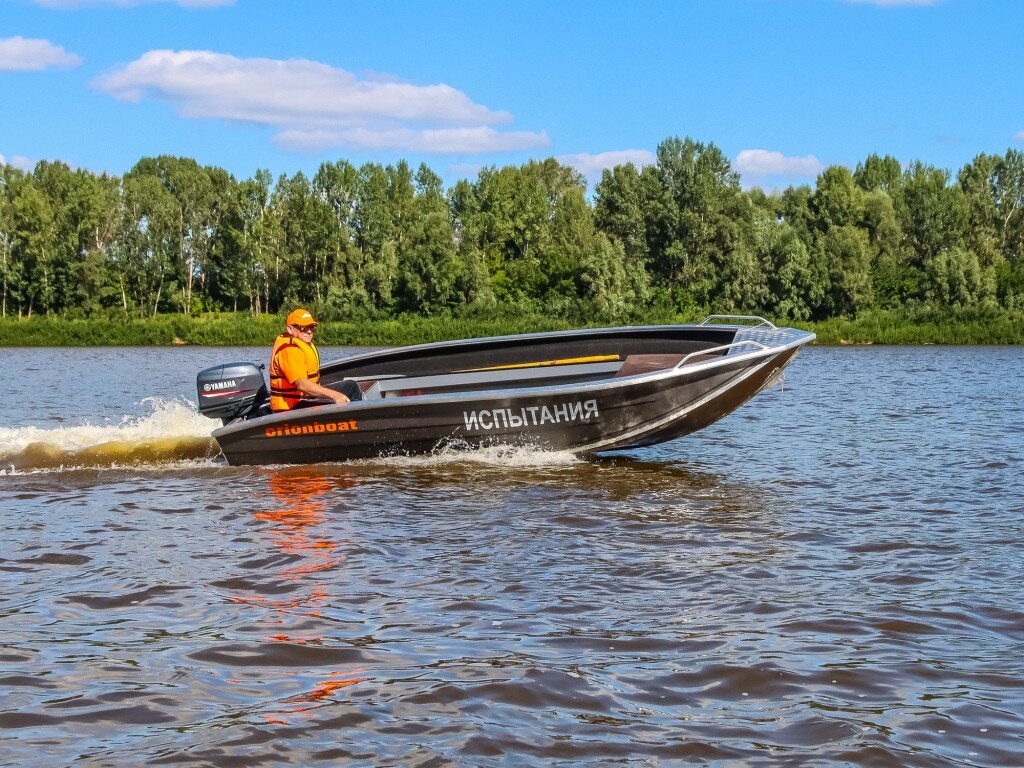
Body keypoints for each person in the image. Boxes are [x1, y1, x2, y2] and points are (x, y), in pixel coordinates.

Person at [269, 309, 362, 412]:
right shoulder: (290, 350)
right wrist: (333, 395)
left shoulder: (302, 343)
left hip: (307, 398)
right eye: (303, 328)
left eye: (311, 327)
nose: (309, 331)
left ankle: (356, 420)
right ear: (290, 329)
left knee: (350, 386)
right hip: (293, 407)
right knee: (336, 399)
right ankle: (354, 423)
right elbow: (302, 385)